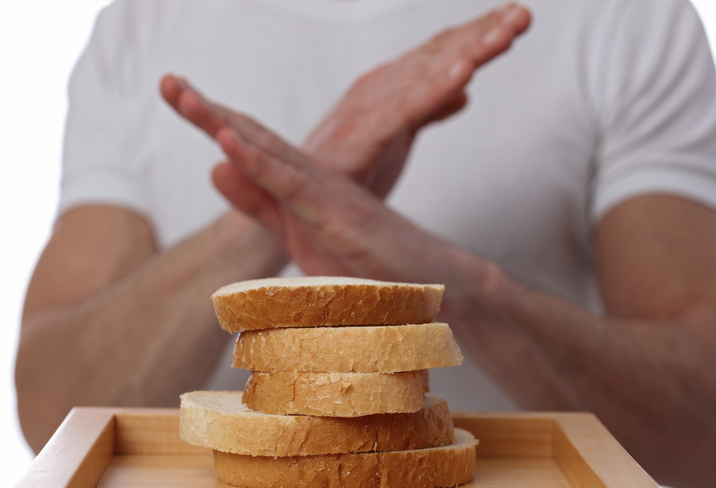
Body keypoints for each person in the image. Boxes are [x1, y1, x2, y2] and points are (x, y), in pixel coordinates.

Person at [14, 0, 716, 486]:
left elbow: (702, 428)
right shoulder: (140, 25)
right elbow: (52, 412)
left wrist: (463, 288)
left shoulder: (627, 17)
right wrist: (273, 210)